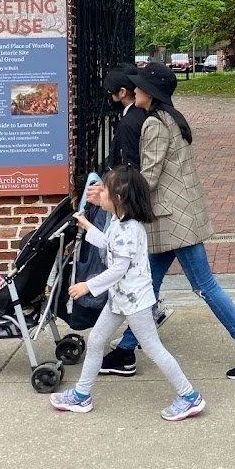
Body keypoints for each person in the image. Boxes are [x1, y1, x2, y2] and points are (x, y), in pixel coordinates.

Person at [95, 62, 235, 381]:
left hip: (174, 221)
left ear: (150, 92)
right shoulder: (170, 118)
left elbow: (148, 177)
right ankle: (125, 352)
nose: (133, 90)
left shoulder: (154, 125)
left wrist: (113, 193)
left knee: (204, 286)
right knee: (147, 285)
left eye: (138, 86)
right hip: (175, 218)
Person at [50, 165, 205, 421]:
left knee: (153, 349)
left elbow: (118, 269)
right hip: (120, 299)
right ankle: (81, 395)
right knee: (97, 341)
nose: (100, 196)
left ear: (119, 199)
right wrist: (88, 225)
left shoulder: (126, 230)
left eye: (105, 192)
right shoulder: (120, 224)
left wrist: (88, 286)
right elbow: (107, 243)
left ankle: (189, 396)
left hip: (134, 302)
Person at [97, 64, 172, 376]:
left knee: (122, 259)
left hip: (128, 202)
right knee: (147, 267)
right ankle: (133, 337)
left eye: (114, 94)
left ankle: (143, 323)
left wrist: (117, 197)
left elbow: (132, 164)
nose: (113, 99)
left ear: (123, 92)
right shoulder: (142, 118)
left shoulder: (134, 122)